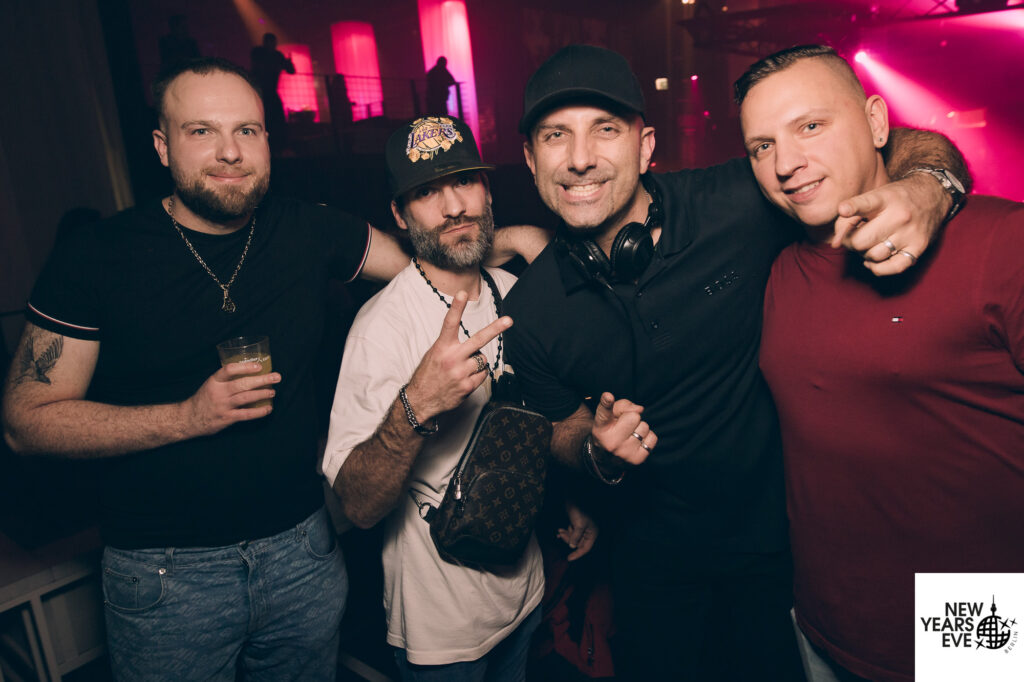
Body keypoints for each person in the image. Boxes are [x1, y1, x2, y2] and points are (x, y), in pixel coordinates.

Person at [502, 44, 968, 681]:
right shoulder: (529, 312)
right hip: (651, 568)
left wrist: (927, 187)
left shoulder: (737, 201)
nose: (580, 157)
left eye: (605, 129)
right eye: (556, 135)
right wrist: (593, 450)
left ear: (645, 147)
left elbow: (870, 151)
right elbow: (558, 422)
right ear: (531, 160)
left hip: (782, 552)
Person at [0, 57, 414, 681]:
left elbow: (427, 266)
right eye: (202, 131)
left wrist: (515, 242)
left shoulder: (310, 229)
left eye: (247, 130)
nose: (230, 152)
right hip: (165, 578)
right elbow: (25, 422)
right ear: (162, 146)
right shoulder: (97, 256)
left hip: (304, 551)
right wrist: (186, 417)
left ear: (267, 140)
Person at [737, 45, 1023, 682]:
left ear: (875, 121)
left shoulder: (1000, 242)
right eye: (762, 146)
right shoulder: (778, 268)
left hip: (970, 618)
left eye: (811, 126)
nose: (785, 163)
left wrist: (930, 185)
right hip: (822, 621)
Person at [322, 114, 593, 681]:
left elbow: (541, 413)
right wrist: (416, 405)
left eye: (465, 181)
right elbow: (357, 506)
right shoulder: (381, 328)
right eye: (426, 192)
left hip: (525, 593)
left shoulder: (515, 292)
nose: (453, 207)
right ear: (400, 215)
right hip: (442, 633)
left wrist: (574, 497)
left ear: (487, 190)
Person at [250, 33, 295, 154]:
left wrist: (287, 63)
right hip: (262, 92)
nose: (272, 45)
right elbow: (291, 70)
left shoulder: (266, 54)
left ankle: (272, 146)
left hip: (264, 92)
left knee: (269, 118)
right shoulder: (267, 54)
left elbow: (291, 70)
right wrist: (286, 63)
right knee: (272, 118)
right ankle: (276, 146)